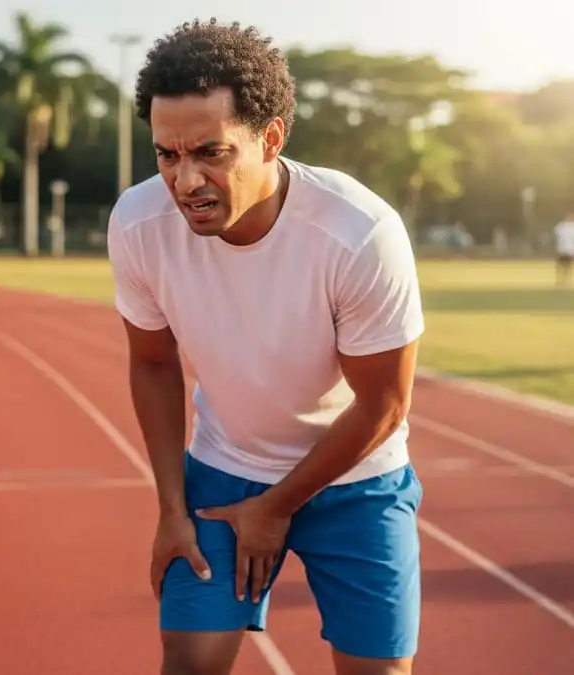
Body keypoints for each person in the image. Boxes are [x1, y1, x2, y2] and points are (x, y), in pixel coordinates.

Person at [106, 19, 425, 675]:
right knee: (190, 664)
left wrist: (276, 508)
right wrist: (171, 509)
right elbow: (152, 361)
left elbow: (384, 405)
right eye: (167, 154)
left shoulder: (358, 233)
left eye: (210, 152)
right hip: (225, 470)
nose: (185, 179)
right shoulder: (139, 225)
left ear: (271, 138)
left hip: (358, 479)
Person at [553, 212, 574, 287]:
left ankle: (564, 280)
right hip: (563, 249)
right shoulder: (561, 226)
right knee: (562, 266)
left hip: (569, 250)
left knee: (567, 266)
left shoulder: (561, 226)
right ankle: (560, 280)